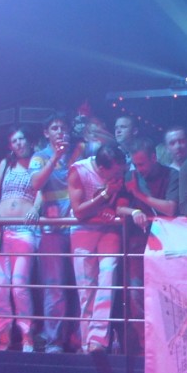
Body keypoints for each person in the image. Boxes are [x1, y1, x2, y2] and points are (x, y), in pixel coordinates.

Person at [116, 136, 179, 353]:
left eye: (142, 164)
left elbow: (170, 208)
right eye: (135, 164)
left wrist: (139, 195)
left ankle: (166, 343)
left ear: (154, 158)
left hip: (167, 245)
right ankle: (145, 344)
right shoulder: (130, 176)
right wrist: (134, 211)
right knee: (135, 293)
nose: (138, 169)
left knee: (165, 295)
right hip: (137, 245)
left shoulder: (172, 175)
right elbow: (119, 208)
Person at [68, 144, 127, 354]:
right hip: (83, 231)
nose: (119, 175)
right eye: (115, 172)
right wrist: (105, 195)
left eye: (121, 171)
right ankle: (87, 344)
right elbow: (78, 211)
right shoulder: (79, 171)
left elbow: (125, 195)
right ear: (102, 169)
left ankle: (98, 340)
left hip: (109, 229)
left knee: (108, 278)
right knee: (86, 289)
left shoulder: (122, 169)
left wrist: (115, 206)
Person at [0, 127, 41, 352]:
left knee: (19, 285)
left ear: (28, 141)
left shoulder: (37, 162)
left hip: (24, 230)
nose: (18, 143)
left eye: (21, 139)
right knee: (0, 287)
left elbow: (42, 190)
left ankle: (27, 336)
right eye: (14, 141)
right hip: (1, 229)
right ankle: (4, 337)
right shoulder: (6, 164)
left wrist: (36, 208)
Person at [29, 112, 74, 353]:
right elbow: (35, 183)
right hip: (52, 231)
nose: (60, 131)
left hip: (78, 227)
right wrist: (55, 157)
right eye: (55, 128)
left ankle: (79, 339)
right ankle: (54, 341)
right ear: (46, 133)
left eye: (63, 127)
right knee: (54, 286)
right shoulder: (40, 157)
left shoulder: (77, 154)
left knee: (80, 284)